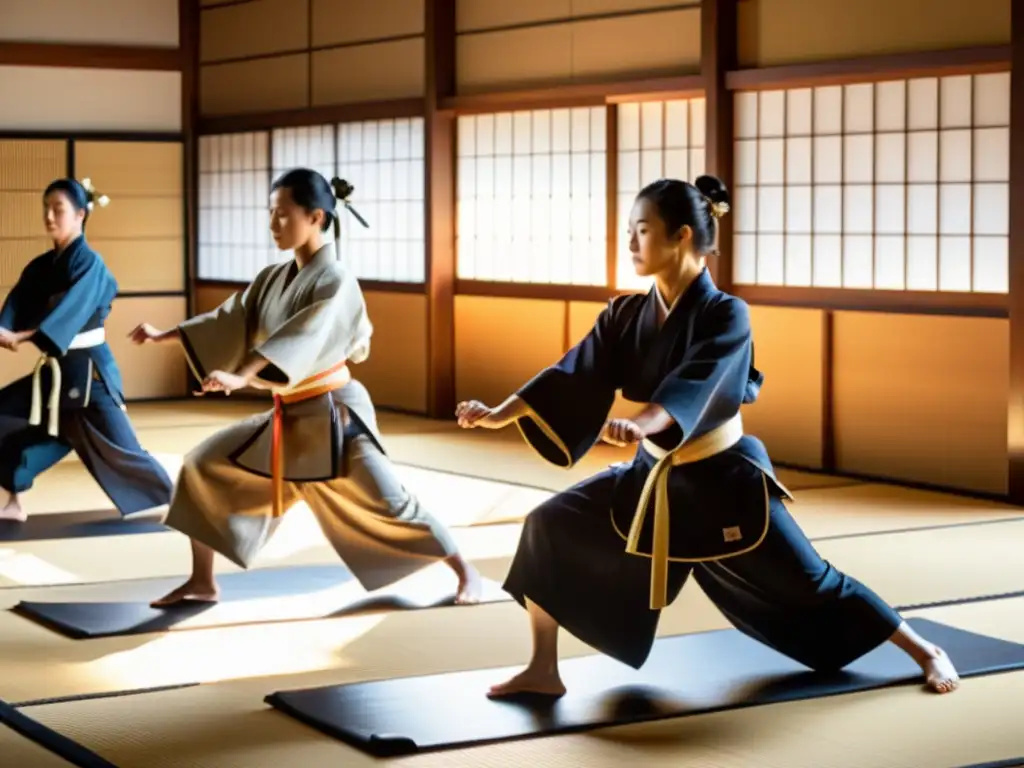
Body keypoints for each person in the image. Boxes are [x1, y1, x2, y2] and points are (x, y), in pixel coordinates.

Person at [455, 175, 960, 698]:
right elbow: (572, 371)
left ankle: (925, 649)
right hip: (651, 477)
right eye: (629, 231)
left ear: (682, 237)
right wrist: (502, 413)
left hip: (723, 481)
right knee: (548, 524)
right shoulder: (626, 312)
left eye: (642, 231)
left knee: (810, 581)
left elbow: (696, 384)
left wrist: (642, 423)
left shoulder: (726, 314)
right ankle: (543, 669)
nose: (630, 243)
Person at [129, 168, 482, 607]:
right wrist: (166, 335)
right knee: (202, 466)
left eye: (282, 215)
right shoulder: (272, 277)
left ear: (316, 217)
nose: (273, 224)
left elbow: (301, 335)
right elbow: (229, 318)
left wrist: (241, 376)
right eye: (270, 214)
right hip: (291, 414)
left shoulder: (336, 280)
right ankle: (203, 581)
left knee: (391, 503)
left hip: (336, 416)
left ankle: (468, 573)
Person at [0, 178, 173, 522]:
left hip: (89, 375)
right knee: (4, 415)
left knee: (125, 453)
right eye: (46, 208)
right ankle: (13, 501)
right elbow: (19, 301)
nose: (49, 216)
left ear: (80, 215)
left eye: (58, 209)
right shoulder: (43, 266)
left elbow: (70, 315)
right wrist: (5, 328)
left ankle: (183, 499)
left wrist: (24, 337)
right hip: (57, 375)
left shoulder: (90, 265)